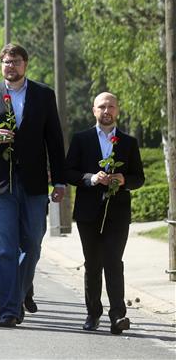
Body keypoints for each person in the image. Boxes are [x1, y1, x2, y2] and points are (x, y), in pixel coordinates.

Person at [0, 43, 66, 327]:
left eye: (16, 61)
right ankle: (8, 310)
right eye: (6, 62)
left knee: (32, 245)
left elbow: (55, 141)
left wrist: (59, 180)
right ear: (1, 65)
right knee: (4, 249)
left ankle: (18, 294)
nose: (11, 66)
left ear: (26, 64)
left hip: (34, 183)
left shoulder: (44, 95)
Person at [65, 92, 145, 335]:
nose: (107, 110)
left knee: (113, 262)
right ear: (94, 110)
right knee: (93, 264)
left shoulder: (128, 142)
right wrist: (91, 178)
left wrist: (123, 180)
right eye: (102, 106)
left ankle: (118, 315)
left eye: (111, 106)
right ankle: (93, 313)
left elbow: (138, 178)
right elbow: (69, 172)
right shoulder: (81, 139)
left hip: (118, 213)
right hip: (89, 212)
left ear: (117, 110)